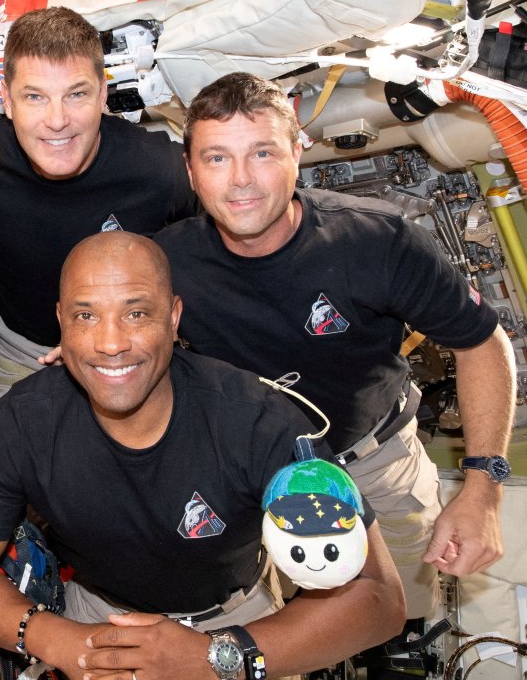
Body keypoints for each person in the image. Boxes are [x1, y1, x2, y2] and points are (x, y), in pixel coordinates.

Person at [0, 232, 405, 680]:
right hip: (95, 621)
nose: (111, 343)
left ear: (174, 318)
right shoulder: (21, 423)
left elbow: (379, 597)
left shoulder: (259, 422)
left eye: (136, 313)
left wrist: (216, 656)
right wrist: (56, 639)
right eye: (86, 316)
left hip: (241, 624)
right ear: (61, 322)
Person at [154, 72, 514, 625]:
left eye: (263, 153)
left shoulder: (377, 241)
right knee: (259, 615)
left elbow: (482, 342)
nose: (241, 180)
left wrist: (483, 491)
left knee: (402, 606)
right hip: (243, 469)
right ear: (190, 170)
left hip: (375, 461)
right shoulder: (162, 263)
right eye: (217, 158)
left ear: (298, 152)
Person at [0, 6, 199, 402]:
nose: (57, 120)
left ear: (102, 95)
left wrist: (162, 327)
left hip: (127, 351)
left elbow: (222, 243)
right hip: (23, 350)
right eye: (35, 97)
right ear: (7, 100)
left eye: (76, 94)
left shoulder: (157, 168)